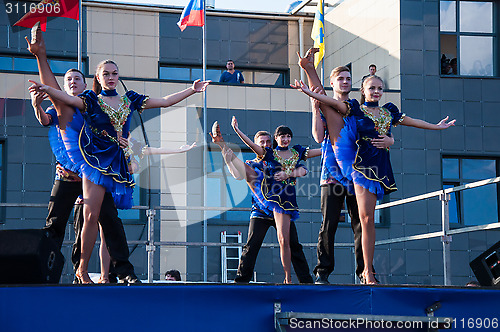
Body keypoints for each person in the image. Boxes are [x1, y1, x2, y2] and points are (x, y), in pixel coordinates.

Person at [29, 54, 210, 283]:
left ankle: (113, 273)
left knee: (110, 223)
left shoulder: (130, 99)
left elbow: (164, 101)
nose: (111, 77)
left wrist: (192, 90)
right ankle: (82, 270)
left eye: (115, 73)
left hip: (116, 165)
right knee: (89, 216)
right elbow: (64, 102)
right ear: (98, 77)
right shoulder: (91, 100)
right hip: (93, 162)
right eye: (106, 74)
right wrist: (45, 88)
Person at [292, 75, 455, 284]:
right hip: (360, 165)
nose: (376, 91)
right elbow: (330, 102)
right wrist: (308, 92)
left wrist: (435, 126)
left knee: (366, 220)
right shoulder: (355, 109)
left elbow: (412, 122)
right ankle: (364, 272)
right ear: (363, 90)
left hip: (380, 166)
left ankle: (367, 270)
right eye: (371, 88)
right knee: (363, 218)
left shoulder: (389, 111)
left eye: (379, 88)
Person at [26, 29, 142, 284]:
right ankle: (45, 274)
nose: (72, 82)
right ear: (65, 85)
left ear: (86, 83)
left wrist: (126, 146)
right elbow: (46, 113)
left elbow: (120, 129)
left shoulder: (95, 104)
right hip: (68, 174)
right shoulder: (63, 107)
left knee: (108, 223)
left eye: (77, 78)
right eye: (68, 79)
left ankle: (119, 272)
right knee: (56, 225)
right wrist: (41, 58)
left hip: (96, 174)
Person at [297, 49, 393, 284]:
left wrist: (391, 140)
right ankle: (322, 272)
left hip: (358, 174)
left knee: (361, 223)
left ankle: (365, 271)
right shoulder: (325, 104)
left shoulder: (358, 110)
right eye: (341, 78)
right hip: (331, 174)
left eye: (349, 78)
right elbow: (319, 137)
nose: (345, 81)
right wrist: (312, 94)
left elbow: (382, 133)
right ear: (332, 83)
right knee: (328, 224)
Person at [210, 124, 313, 283]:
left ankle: (306, 281)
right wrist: (227, 156)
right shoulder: (252, 163)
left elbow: (300, 168)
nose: (265, 145)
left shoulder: (277, 159)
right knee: (252, 245)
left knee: (293, 245)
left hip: (281, 209)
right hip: (260, 211)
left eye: (267, 142)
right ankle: (241, 280)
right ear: (255, 145)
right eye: (261, 142)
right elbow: (237, 175)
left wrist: (290, 172)